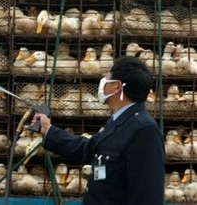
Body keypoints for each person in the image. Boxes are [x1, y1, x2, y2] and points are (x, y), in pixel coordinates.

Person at [32, 55, 165, 205]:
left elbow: (147, 196)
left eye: (107, 77)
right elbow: (87, 149)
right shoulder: (119, 121)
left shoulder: (144, 130)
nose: (102, 82)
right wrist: (48, 130)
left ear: (117, 86)